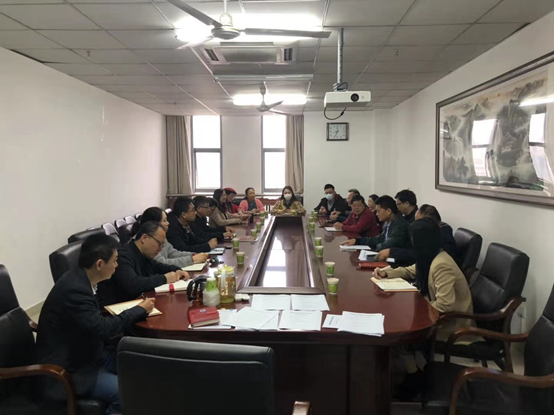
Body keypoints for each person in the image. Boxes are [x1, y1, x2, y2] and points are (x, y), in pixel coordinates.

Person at [35, 234, 156, 414]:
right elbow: (102, 328)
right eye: (115, 261)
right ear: (99, 264)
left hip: (89, 351)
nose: (117, 265)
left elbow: (93, 324)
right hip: (72, 368)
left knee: (141, 365)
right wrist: (139, 309)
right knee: (126, 394)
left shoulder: (84, 279)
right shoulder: (75, 289)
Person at [374, 218, 473, 341]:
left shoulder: (442, 265)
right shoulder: (431, 255)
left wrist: (414, 309)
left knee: (397, 324)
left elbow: (445, 305)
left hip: (450, 327)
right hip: (434, 315)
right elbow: (409, 271)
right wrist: (385, 272)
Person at [97, 222, 188, 307]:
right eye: (159, 244)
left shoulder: (143, 254)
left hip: (135, 303)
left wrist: (177, 270)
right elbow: (132, 284)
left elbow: (158, 267)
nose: (160, 249)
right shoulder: (123, 256)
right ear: (144, 238)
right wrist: (164, 278)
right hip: (116, 308)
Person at [376, 204, 460, 266]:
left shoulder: (443, 235)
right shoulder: (429, 231)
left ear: (429, 222)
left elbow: (419, 254)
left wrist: (392, 252)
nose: (416, 225)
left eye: (419, 222)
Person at [132, 207, 209, 268]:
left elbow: (172, 253)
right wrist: (191, 259)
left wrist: (193, 255)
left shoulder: (160, 236)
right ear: (154, 224)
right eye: (165, 220)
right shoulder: (149, 240)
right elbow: (162, 263)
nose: (168, 223)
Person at [341, 195, 410, 251]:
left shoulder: (399, 225)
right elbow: (379, 239)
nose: (376, 214)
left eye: (378, 211)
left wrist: (372, 249)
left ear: (388, 211)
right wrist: (356, 241)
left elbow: (386, 245)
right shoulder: (389, 222)